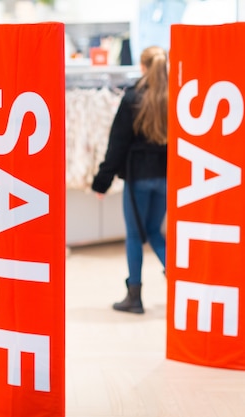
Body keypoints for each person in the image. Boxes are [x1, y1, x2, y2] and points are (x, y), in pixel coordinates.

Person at [91, 46, 168, 314]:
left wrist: (102, 181)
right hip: (167, 178)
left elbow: (118, 145)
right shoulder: (175, 96)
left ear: (143, 67)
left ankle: (134, 297)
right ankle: (182, 281)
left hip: (138, 178)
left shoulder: (133, 97)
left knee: (135, 235)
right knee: (154, 231)